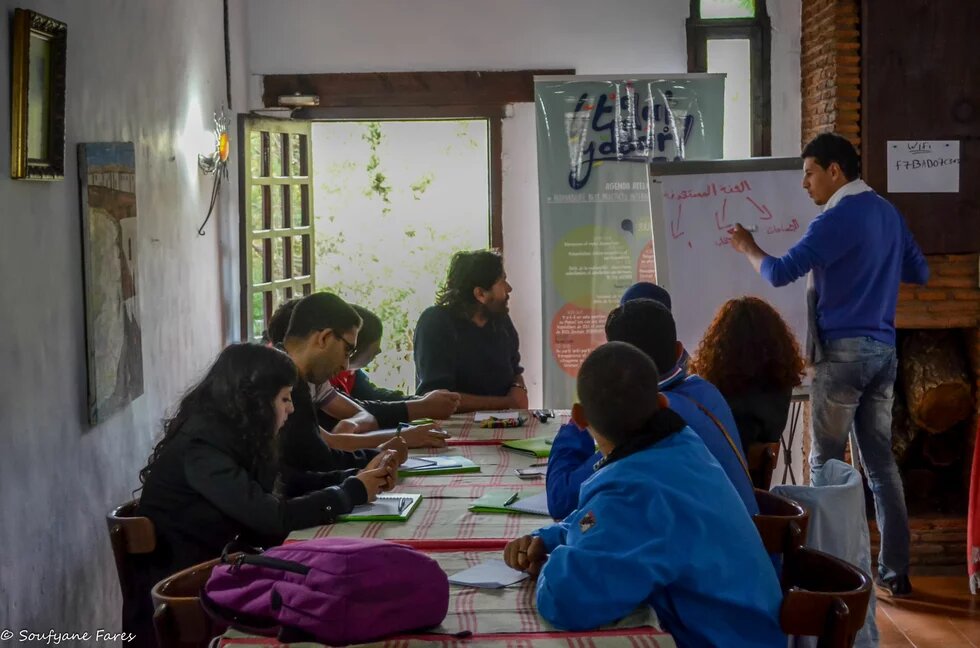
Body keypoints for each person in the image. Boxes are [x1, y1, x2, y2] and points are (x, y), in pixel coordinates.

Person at [729, 132, 929, 597]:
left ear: (835, 171)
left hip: (841, 356)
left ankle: (830, 575)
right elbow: (920, 272)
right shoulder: (888, 213)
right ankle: (894, 574)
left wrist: (747, 247)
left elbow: (779, 272)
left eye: (810, 172)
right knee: (881, 466)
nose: (804, 183)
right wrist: (873, 263)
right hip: (883, 351)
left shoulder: (836, 218)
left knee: (824, 463)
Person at [503, 342, 784, 647]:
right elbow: (593, 521)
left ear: (580, 419)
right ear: (663, 404)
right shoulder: (682, 446)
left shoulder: (631, 490)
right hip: (750, 630)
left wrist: (551, 561)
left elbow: (564, 600)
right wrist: (548, 537)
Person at [133, 343, 398, 644]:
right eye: (285, 398)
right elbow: (271, 518)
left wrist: (354, 478)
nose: (292, 407)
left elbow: (288, 482)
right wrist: (352, 491)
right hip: (196, 594)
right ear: (256, 401)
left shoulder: (234, 434)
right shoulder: (201, 448)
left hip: (225, 568)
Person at [546, 298, 756, 519]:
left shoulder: (649, 415)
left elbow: (562, 500)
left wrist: (579, 423)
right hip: (747, 537)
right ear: (678, 351)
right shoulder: (704, 389)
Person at [269, 299, 458, 433]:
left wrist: (419, 403)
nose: (344, 364)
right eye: (347, 350)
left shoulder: (321, 380)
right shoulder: (285, 382)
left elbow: (365, 407)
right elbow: (327, 448)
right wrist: (414, 418)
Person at [277, 293, 417, 472]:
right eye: (347, 351)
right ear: (324, 338)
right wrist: (380, 453)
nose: (346, 365)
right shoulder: (279, 381)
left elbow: (312, 461)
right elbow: (321, 459)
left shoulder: (298, 378)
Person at [413, 250, 527, 412]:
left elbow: (515, 370)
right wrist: (507, 403)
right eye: (502, 281)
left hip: (505, 426)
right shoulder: (436, 323)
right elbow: (438, 397)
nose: (509, 289)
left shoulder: (500, 320)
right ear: (480, 293)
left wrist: (518, 388)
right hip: (451, 432)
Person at [690, 296, 805, 455]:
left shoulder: (716, 390)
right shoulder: (780, 384)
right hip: (758, 474)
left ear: (722, 344)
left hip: (720, 471)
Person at [329, 305, 460, 426]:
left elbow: (373, 396)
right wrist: (422, 406)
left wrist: (419, 399)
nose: (378, 351)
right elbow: (359, 409)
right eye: (374, 344)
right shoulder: (324, 379)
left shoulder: (351, 374)